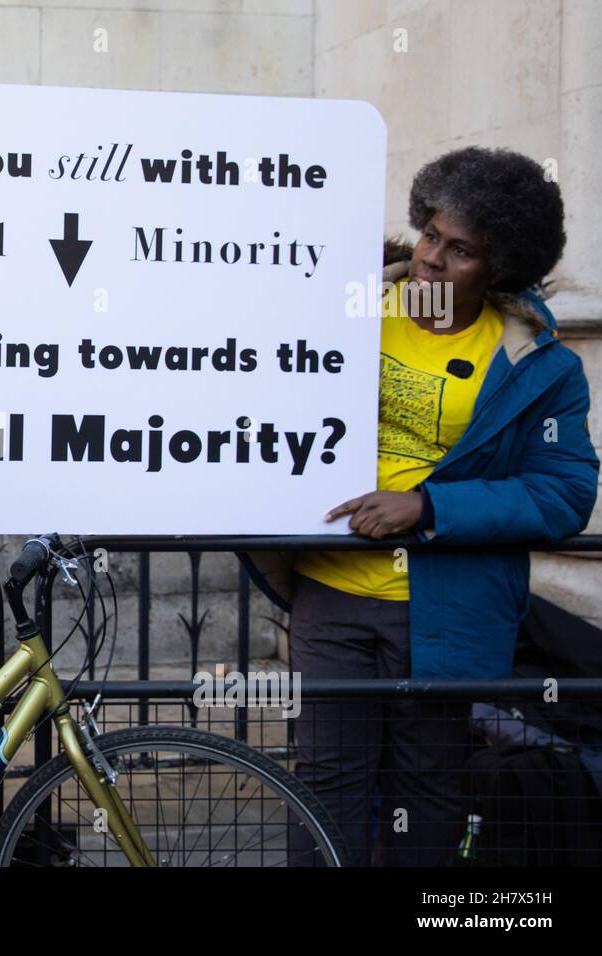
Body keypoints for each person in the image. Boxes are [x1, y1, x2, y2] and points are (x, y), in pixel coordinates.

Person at [244, 146, 599, 866]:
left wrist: (428, 506)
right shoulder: (349, 306)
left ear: (500, 269)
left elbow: (563, 494)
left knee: (427, 789)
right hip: (330, 586)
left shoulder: (541, 366)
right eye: (431, 234)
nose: (433, 259)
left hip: (448, 605)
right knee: (324, 784)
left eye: (461, 249)